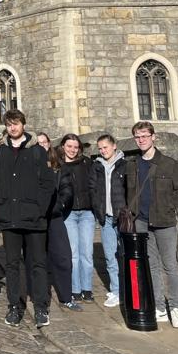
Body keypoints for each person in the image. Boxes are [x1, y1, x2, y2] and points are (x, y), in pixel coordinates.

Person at [0, 110, 55, 328]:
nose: (13, 128)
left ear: (23, 125)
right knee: (12, 265)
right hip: (10, 218)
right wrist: (0, 209)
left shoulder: (37, 151)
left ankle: (40, 306)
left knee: (37, 263)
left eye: (16, 124)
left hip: (34, 219)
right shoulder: (0, 152)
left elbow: (47, 184)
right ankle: (15, 306)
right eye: (9, 125)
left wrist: (40, 209)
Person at [127, 121, 178, 328]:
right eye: (137, 136)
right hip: (143, 222)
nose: (141, 139)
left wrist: (168, 206)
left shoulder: (169, 164)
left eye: (145, 135)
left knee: (170, 266)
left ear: (153, 137)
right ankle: (160, 307)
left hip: (164, 222)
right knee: (151, 265)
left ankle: (176, 308)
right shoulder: (133, 164)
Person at [37, 132, 81, 312]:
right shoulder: (28, 165)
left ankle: (66, 296)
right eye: (38, 143)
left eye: (44, 142)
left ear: (49, 144)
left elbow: (67, 191)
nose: (42, 146)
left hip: (54, 217)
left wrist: (57, 207)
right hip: (35, 219)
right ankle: (39, 298)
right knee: (37, 260)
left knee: (63, 257)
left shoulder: (58, 167)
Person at [89, 133, 126, 308]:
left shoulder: (125, 165)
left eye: (106, 147)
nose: (103, 150)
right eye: (100, 148)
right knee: (110, 256)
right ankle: (116, 291)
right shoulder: (96, 166)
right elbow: (92, 189)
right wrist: (98, 210)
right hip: (106, 218)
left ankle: (128, 290)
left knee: (125, 255)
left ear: (114, 146)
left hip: (123, 217)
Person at [60, 133, 96, 302]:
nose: (72, 150)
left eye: (75, 147)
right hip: (69, 214)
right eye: (69, 146)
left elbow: (94, 186)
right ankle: (75, 289)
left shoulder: (87, 164)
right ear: (63, 147)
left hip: (87, 213)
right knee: (73, 253)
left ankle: (87, 288)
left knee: (87, 252)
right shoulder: (58, 165)